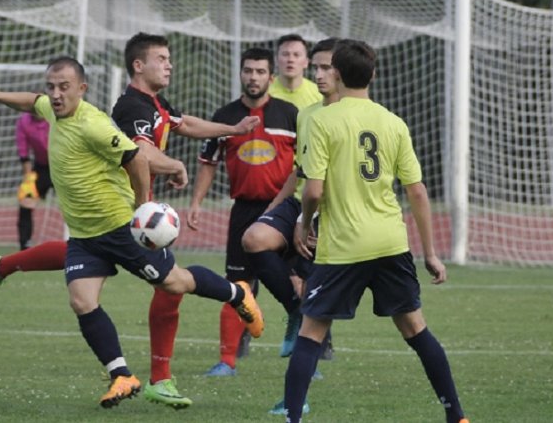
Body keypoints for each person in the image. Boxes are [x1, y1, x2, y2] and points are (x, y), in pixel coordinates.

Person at [0, 32, 262, 410]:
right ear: (139, 65)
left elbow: (140, 156)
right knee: (82, 301)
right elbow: (34, 102)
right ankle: (123, 375)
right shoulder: (85, 107)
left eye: (64, 87)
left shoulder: (97, 123)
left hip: (119, 226)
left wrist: (147, 204)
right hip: (86, 232)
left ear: (81, 88)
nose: (55, 94)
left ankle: (237, 294)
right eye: (52, 87)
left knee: (176, 283)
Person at [283, 39, 468, 423]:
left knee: (311, 332)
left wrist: (303, 223)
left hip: (343, 247)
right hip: (390, 242)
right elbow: (416, 190)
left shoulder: (320, 120)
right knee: (416, 329)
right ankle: (457, 416)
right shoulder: (393, 122)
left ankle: (293, 419)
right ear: (374, 75)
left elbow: (313, 189)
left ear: (336, 73)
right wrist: (430, 253)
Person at [240, 37, 339, 415]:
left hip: (336, 215)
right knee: (255, 238)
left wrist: (312, 221)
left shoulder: (362, 116)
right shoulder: (309, 113)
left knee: (411, 325)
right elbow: (301, 170)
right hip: (303, 203)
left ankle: (295, 397)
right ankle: (293, 306)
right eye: (317, 66)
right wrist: (277, 206)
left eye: (326, 67)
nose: (319, 73)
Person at [185, 47, 299, 377]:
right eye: (248, 71)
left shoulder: (290, 114)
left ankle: (308, 356)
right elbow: (208, 163)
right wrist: (196, 203)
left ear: (271, 78)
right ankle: (227, 361)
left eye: (260, 72)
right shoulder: (225, 116)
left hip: (284, 212)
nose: (253, 77)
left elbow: (308, 164)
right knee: (237, 284)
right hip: (244, 211)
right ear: (240, 74)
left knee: (299, 281)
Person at [14, 112, 52, 250]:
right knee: (25, 200)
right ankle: (25, 245)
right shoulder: (24, 121)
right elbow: (23, 151)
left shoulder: (55, 117)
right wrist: (28, 179)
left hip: (63, 165)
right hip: (41, 167)